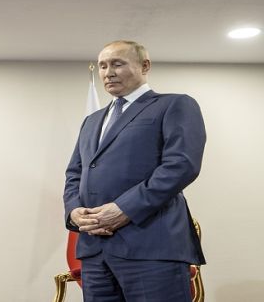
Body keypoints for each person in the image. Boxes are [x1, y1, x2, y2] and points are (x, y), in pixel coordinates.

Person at [63, 40, 206, 302]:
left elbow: (181, 165)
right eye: (103, 66)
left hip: (152, 246)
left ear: (145, 65)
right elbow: (75, 173)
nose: (108, 72)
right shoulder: (92, 120)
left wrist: (124, 209)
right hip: (95, 251)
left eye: (118, 63)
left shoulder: (174, 105)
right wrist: (73, 212)